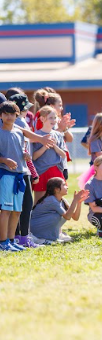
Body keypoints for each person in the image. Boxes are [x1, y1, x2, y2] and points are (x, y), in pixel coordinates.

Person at [8, 94, 40, 248]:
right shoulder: (19, 123)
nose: (27, 111)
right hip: (21, 169)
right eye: (24, 108)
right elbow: (25, 149)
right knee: (24, 204)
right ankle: (21, 236)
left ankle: (19, 236)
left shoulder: (21, 122)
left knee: (22, 205)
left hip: (25, 167)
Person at [0, 101, 29, 252]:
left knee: (17, 211)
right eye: (6, 113)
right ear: (1, 115)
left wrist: (25, 155)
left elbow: (20, 150)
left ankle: (11, 240)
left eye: (12, 114)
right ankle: (2, 242)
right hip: (5, 175)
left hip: (20, 174)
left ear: (17, 115)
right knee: (5, 210)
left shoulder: (19, 132)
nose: (9, 117)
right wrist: (4, 160)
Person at [30, 177, 88, 244]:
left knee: (59, 215)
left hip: (41, 227)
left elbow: (75, 217)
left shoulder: (63, 200)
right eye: (64, 185)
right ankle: (39, 238)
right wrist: (75, 200)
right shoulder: (51, 200)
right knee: (57, 215)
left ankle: (50, 237)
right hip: (35, 229)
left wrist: (79, 203)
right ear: (57, 189)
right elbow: (67, 217)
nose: (67, 187)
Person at [32, 106, 67, 203]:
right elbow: (34, 156)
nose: (54, 120)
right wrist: (45, 145)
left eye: (55, 117)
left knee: (57, 200)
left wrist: (55, 146)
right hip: (41, 171)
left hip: (56, 170)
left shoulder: (58, 135)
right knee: (39, 201)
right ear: (42, 119)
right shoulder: (36, 135)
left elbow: (63, 154)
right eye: (50, 117)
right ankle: (36, 218)